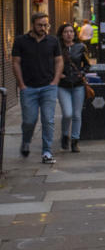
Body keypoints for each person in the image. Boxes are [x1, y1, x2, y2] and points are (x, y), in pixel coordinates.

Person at [12, 13, 62, 162]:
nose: (43, 28)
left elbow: (59, 61)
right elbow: (15, 63)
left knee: (48, 120)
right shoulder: (21, 41)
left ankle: (47, 151)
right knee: (29, 120)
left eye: (45, 25)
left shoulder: (52, 41)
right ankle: (26, 142)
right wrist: (21, 85)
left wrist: (55, 81)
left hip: (48, 87)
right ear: (32, 24)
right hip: (29, 88)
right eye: (40, 25)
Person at [56, 23, 90, 153]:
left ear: (74, 34)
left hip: (78, 85)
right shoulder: (57, 48)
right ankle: (65, 135)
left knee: (76, 114)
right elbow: (51, 64)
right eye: (66, 32)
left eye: (71, 32)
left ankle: (75, 141)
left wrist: (82, 73)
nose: (69, 34)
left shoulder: (81, 47)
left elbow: (87, 65)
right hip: (63, 85)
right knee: (67, 113)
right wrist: (58, 74)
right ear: (61, 34)